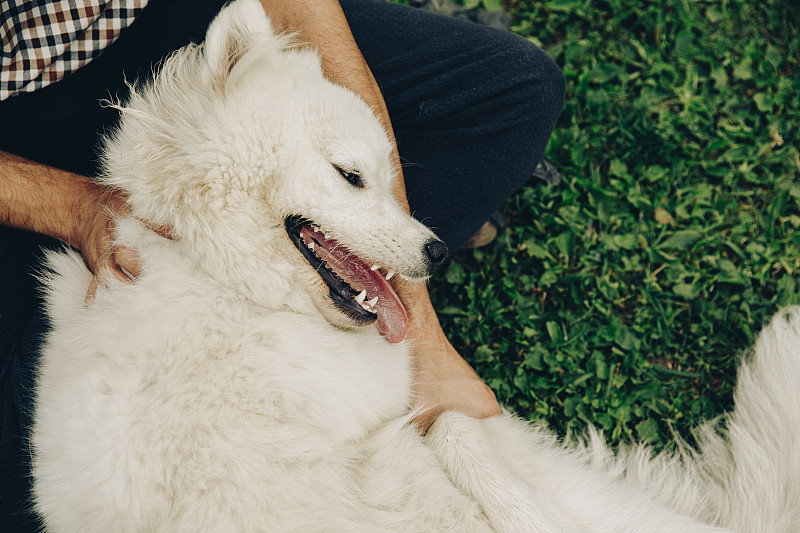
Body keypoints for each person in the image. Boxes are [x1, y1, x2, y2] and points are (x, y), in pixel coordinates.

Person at [0, 0, 565, 529]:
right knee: (25, 488)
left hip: (152, 26)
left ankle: (265, 252)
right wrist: (72, 205)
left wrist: (425, 340)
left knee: (515, 90)